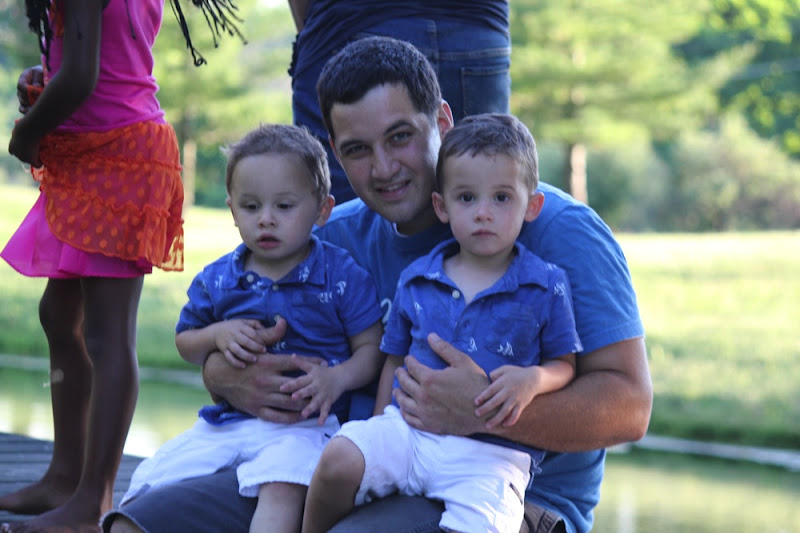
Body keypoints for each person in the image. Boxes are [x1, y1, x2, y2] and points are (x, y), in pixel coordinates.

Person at [103, 36, 652, 533]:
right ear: (335, 152)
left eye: (401, 137)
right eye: (358, 150)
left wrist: (480, 409)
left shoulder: (556, 231)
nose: (384, 167)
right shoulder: (329, 240)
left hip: (504, 496)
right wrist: (224, 375)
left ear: (442, 121)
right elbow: (242, 346)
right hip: (324, 471)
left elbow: (631, 407)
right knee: (139, 522)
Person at [302, 113, 582, 533]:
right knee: (339, 458)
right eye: (467, 198)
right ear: (442, 206)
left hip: (490, 457)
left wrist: (533, 380)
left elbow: (564, 364)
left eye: (501, 198)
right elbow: (394, 361)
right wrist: (379, 426)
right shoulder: (418, 278)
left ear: (532, 206)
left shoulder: (545, 286)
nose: (483, 213)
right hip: (409, 433)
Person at [120, 124, 384, 533]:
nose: (266, 220)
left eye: (284, 206)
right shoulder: (219, 279)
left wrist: (337, 379)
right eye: (250, 206)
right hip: (228, 422)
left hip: (305, 428)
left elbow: (372, 348)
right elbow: (185, 341)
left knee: (282, 488)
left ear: (322, 210)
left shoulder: (339, 275)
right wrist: (216, 336)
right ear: (232, 209)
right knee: (156, 479)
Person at [0, 1, 185, 531]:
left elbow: (83, 78)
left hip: (119, 157)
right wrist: (47, 75)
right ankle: (64, 477)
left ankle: (93, 500)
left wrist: (27, 131)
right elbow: (103, 58)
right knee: (60, 316)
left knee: (108, 337)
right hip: (95, 153)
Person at [287, 0, 511, 204]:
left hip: (348, 20)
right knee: (489, 203)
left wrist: (317, 30)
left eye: (399, 136)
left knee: (341, 223)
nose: (384, 170)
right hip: (480, 30)